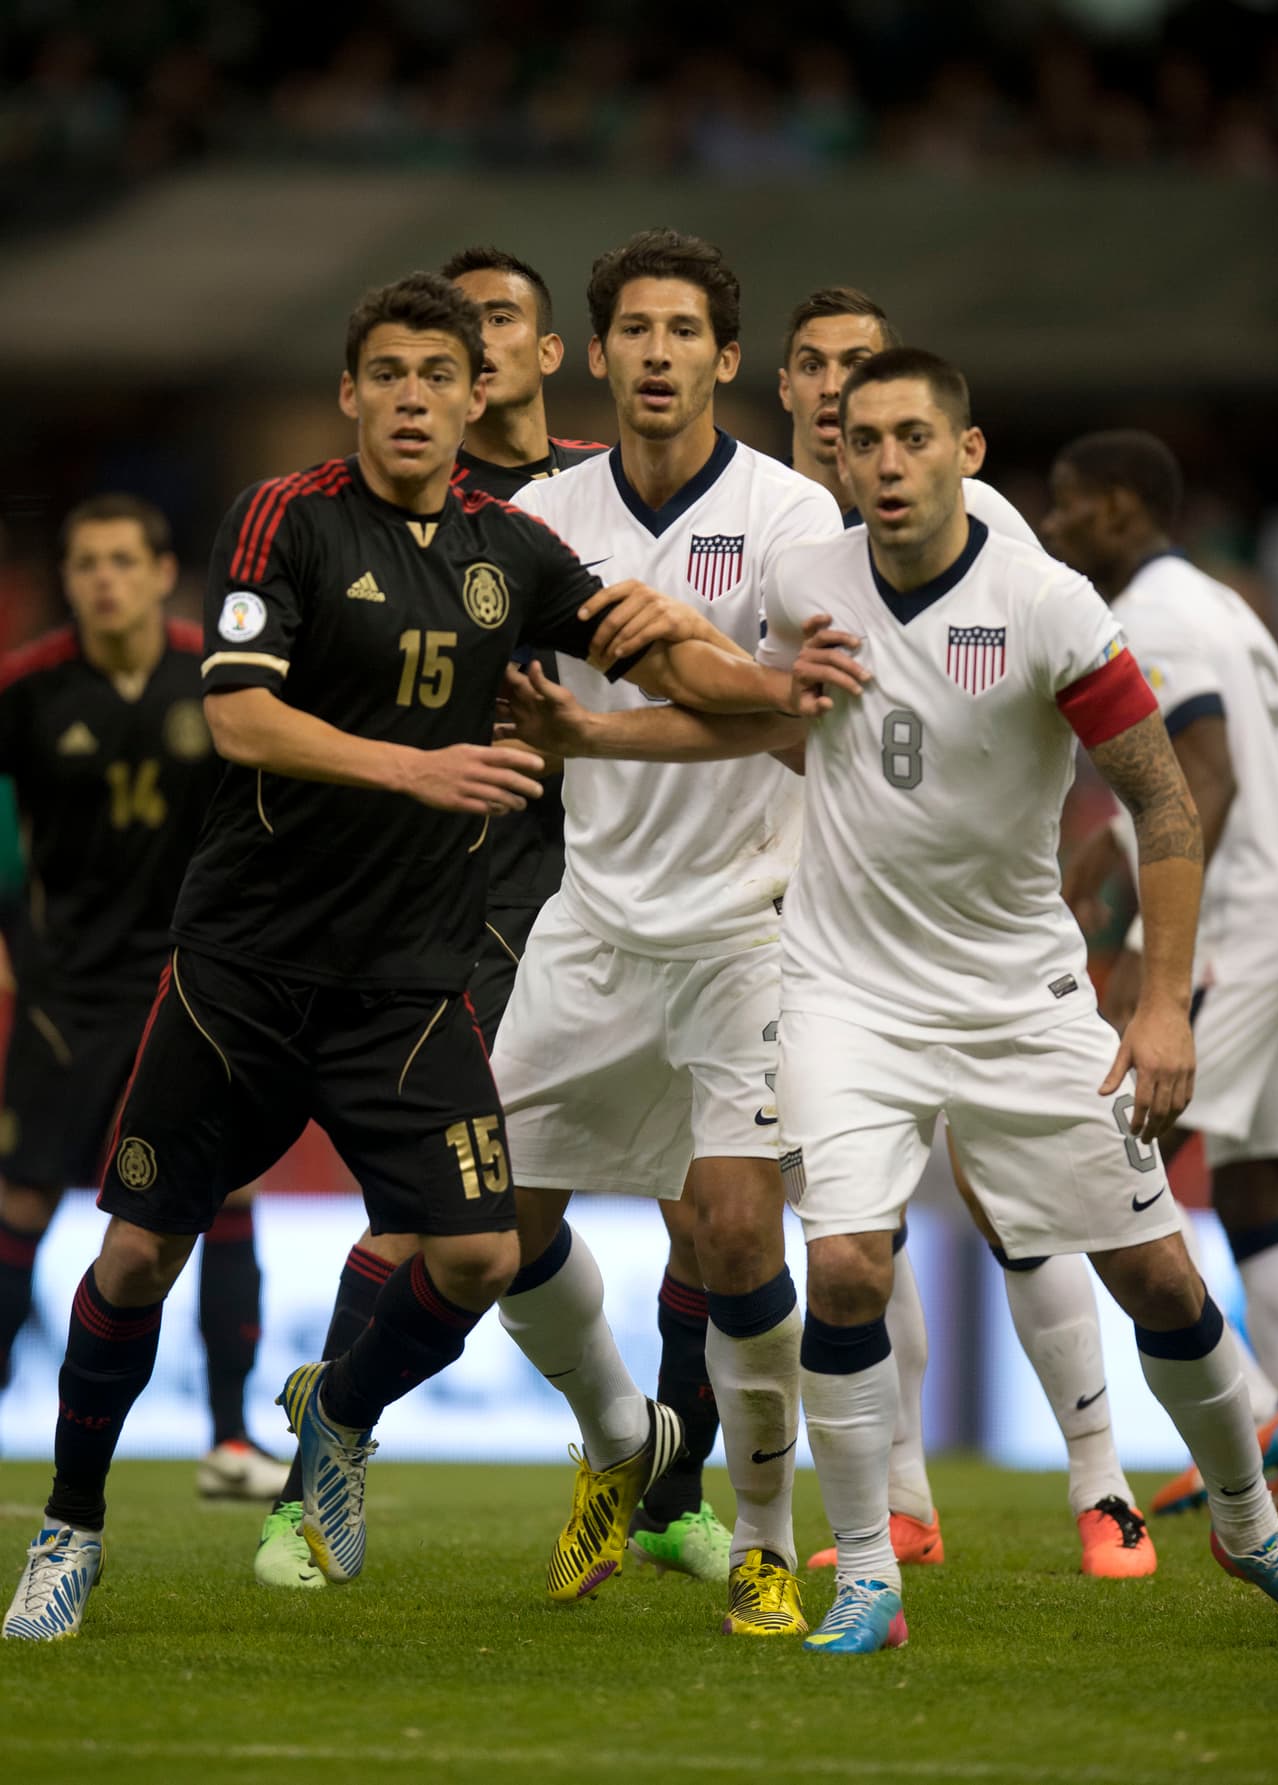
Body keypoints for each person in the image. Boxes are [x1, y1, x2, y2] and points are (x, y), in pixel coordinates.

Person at [2, 270, 821, 1643]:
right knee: (139, 1255)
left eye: (438, 376)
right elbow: (243, 719)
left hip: (403, 985)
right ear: (351, 393)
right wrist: (414, 769)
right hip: (241, 974)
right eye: (387, 374)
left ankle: (337, 1414)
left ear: (475, 394)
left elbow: (668, 663)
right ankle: (70, 1530)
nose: (413, 398)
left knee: (481, 1253)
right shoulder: (291, 518)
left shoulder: (519, 553)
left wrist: (789, 696)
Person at [757, 345, 1278, 1653]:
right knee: (843, 1267)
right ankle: (869, 1577)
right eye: (863, 441)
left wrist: (1159, 1010)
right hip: (847, 994)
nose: (886, 462)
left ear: (967, 453)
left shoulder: (1048, 605)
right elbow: (776, 728)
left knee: (1158, 1277)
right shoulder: (801, 581)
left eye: (913, 439)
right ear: (841, 457)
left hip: (1023, 995)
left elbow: (1164, 797)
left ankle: (1248, 1515)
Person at [253, 247, 734, 1590]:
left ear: (531, 358)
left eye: (494, 326)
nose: (470, 351)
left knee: (700, 1217)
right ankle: (371, 1467)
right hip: (478, 875)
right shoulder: (421, 508)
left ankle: (657, 1477)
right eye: (442, 341)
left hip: (637, 878)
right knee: (475, 1200)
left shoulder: (592, 496)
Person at [488, 228, 847, 1638]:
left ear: (723, 357)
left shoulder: (793, 516)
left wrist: (619, 710)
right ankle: (620, 1435)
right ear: (597, 351)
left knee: (741, 1229)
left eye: (682, 331)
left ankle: (765, 1538)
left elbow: (795, 711)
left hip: (747, 925)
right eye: (633, 329)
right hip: (589, 920)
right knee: (486, 1231)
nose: (656, 352)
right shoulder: (542, 516)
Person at [781, 286, 1158, 1581]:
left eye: (867, 370)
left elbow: (1033, 725)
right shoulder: (772, 534)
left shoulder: (975, 530)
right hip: (809, 928)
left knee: (1020, 1210)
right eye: (822, 369)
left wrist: (1093, 910)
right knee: (850, 1238)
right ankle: (898, 1500)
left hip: (979, 948)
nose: (845, 393)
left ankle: (1101, 1483)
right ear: (790, 392)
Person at [0, 494, 285, 1502]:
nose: (104, 579)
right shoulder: (26, 691)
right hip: (63, 999)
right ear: (66, 579)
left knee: (226, 1192)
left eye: (123, 560)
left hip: (190, 984)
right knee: (21, 1199)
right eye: (86, 563)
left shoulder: (212, 677)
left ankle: (230, 1438)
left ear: (164, 570)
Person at [1044, 428, 1278, 1512]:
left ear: (1125, 508)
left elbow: (1207, 779)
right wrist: (1103, 847)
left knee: (1105, 1174)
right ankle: (1267, 1406)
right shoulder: (1215, 601)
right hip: (1266, 913)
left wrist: (1150, 961)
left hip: (1233, 933)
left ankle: (1251, 1410)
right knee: (1249, 1185)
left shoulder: (1149, 615)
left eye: (1071, 504)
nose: (1053, 525)